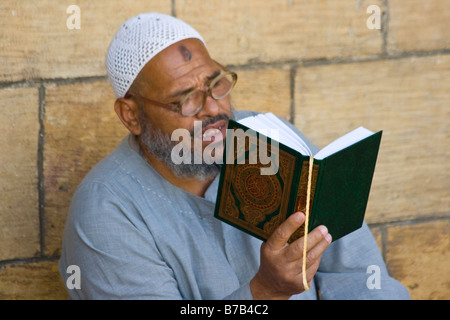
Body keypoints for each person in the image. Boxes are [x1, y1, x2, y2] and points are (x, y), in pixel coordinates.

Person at [58, 12, 410, 300]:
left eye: (216, 84)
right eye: (185, 99)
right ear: (131, 115)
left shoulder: (268, 141)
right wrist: (265, 292)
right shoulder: (106, 212)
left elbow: (359, 276)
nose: (213, 109)